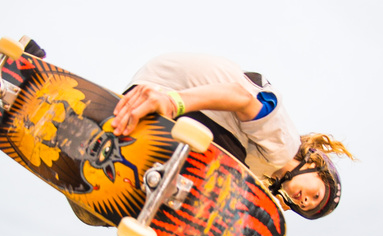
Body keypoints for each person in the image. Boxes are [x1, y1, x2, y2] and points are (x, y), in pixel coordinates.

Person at [111, 53, 354, 220]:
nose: (305, 202)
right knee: (227, 171)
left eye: (304, 206)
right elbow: (240, 97)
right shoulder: (284, 146)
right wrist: (172, 102)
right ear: (313, 166)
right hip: (171, 91)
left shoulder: (267, 168)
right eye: (315, 195)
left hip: (148, 90)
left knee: (228, 182)